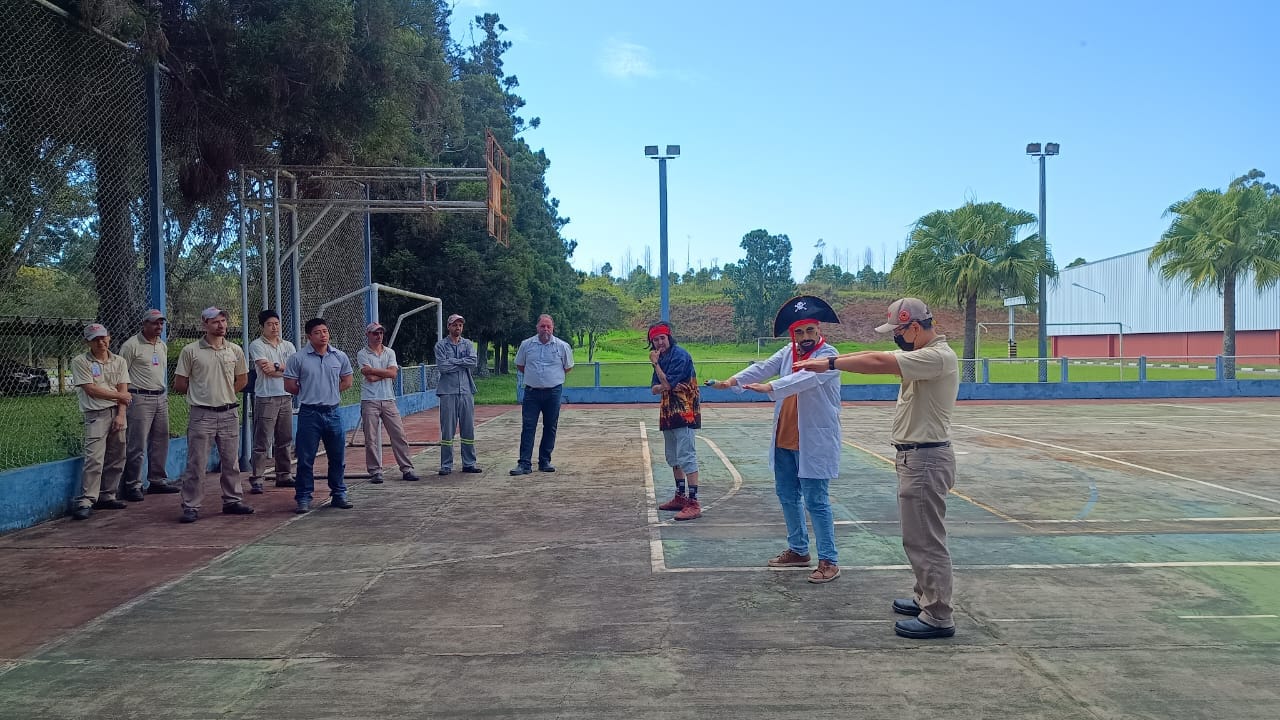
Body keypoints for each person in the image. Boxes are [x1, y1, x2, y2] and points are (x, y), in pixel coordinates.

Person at [794, 298, 958, 639]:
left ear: (914, 327)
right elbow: (876, 356)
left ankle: (938, 614)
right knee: (917, 537)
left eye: (898, 331)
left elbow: (878, 361)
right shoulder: (922, 356)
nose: (895, 338)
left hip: (925, 459)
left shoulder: (935, 356)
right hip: (916, 457)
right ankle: (924, 595)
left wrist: (830, 363)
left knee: (926, 540)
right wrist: (828, 363)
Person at [709, 295, 843, 583]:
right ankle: (798, 550)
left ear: (819, 330)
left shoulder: (828, 356)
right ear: (792, 334)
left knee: (816, 500)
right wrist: (733, 382)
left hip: (813, 442)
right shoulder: (787, 353)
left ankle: (829, 560)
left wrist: (770, 386)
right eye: (799, 332)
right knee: (787, 496)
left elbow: (803, 379)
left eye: (810, 331)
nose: (805, 337)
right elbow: (761, 367)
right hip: (785, 437)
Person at [173, 307, 253, 523]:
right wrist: (204, 394)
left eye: (224, 321)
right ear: (204, 324)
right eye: (216, 321)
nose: (221, 325)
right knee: (196, 463)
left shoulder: (235, 350)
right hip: (202, 414)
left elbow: (242, 380)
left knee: (231, 461)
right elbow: (180, 384)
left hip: (229, 412)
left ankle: (232, 500)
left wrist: (224, 394)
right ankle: (191, 505)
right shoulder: (191, 351)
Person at [284, 317, 355, 513]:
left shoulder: (339, 356)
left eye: (325, 331)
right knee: (306, 458)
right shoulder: (298, 358)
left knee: (337, 456)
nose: (323, 335)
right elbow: (290, 385)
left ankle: (339, 493)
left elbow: (347, 381)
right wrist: (311, 392)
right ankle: (304, 497)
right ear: (309, 336)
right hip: (309, 414)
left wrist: (329, 391)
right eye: (317, 332)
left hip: (333, 412)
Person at [69, 323, 132, 520]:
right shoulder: (81, 361)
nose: (101, 341)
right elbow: (91, 389)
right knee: (94, 457)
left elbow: (124, 388)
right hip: (96, 414)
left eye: (103, 337)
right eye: (95, 339)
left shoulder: (119, 361)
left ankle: (108, 495)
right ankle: (87, 499)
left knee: (117, 455)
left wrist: (121, 414)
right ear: (87, 341)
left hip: (117, 411)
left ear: (109, 337)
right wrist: (119, 396)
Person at [119, 309, 180, 500]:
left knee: (161, 440)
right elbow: (121, 375)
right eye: (155, 323)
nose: (159, 327)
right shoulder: (131, 345)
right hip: (139, 398)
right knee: (137, 443)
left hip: (160, 397)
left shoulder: (162, 345)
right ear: (144, 324)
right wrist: (124, 398)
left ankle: (157, 480)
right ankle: (133, 485)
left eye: (161, 323)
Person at [648, 322, 703, 521]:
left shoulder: (680, 356)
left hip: (684, 411)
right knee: (673, 456)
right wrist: (665, 385)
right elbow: (654, 388)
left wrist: (656, 367)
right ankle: (680, 496)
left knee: (686, 455)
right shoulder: (662, 358)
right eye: (656, 339)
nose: (660, 342)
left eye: (663, 338)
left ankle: (693, 501)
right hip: (668, 411)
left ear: (669, 337)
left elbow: (667, 383)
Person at [510, 314, 573, 475]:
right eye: (542, 326)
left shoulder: (562, 346)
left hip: (553, 393)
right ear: (537, 327)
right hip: (532, 393)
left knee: (550, 427)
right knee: (528, 427)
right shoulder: (527, 345)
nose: (545, 329)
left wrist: (550, 379)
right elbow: (521, 365)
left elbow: (568, 367)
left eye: (548, 327)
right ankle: (524, 463)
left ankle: (545, 461)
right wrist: (536, 379)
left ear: (553, 328)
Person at [357, 321, 420, 482]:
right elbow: (368, 376)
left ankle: (407, 468)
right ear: (368, 335)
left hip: (388, 399)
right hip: (370, 399)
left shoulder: (389, 352)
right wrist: (385, 373)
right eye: (375, 333)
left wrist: (377, 371)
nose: (378, 336)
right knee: (371, 438)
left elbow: (392, 374)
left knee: (398, 434)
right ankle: (375, 471)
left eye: (380, 333)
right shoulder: (362, 354)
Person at [247, 309, 297, 493]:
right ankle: (257, 478)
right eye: (270, 324)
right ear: (262, 327)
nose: (274, 327)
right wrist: (282, 369)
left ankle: (284, 474)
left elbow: (294, 370)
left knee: (285, 438)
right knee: (262, 440)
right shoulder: (257, 345)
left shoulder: (288, 345)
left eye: (276, 323)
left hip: (285, 396)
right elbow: (265, 370)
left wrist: (276, 366)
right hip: (266, 397)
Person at [434, 314, 481, 476]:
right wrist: (462, 362)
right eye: (455, 325)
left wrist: (454, 361)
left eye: (460, 325)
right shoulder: (440, 346)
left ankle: (469, 463)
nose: (458, 328)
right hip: (448, 391)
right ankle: (446, 464)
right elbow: (443, 367)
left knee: (468, 429)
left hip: (466, 390)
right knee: (447, 430)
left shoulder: (467, 344)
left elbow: (473, 362)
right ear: (449, 326)